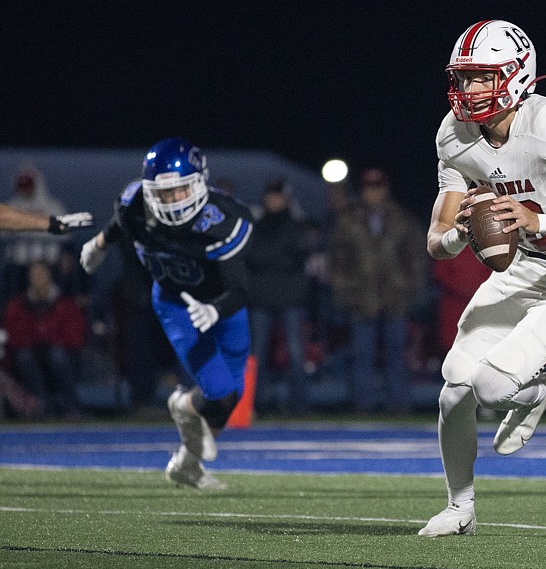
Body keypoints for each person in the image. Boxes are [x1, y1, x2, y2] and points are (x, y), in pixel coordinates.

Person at [419, 19, 546, 537]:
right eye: (463, 78)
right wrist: (461, 234)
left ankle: (536, 392)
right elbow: (436, 240)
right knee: (453, 391)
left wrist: (539, 220)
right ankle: (460, 506)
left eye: (481, 78)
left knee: (491, 386)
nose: (468, 90)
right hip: (522, 269)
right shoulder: (453, 134)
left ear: (515, 76)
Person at [80, 137, 253, 490]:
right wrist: (98, 244)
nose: (171, 200)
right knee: (218, 388)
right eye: (164, 193)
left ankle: (187, 465)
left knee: (231, 396)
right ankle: (185, 404)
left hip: (223, 304)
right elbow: (119, 224)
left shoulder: (222, 220)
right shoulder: (136, 204)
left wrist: (216, 309)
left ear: (200, 182)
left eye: (180, 190)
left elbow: (239, 290)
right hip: (175, 302)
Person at [327, 166, 427, 415]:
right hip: (361, 297)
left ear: (385, 189)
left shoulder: (402, 218)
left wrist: (411, 289)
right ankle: (362, 403)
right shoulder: (349, 220)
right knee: (361, 353)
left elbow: (416, 257)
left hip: (395, 296)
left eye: (378, 188)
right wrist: (344, 290)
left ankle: (399, 403)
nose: (373, 194)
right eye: (369, 189)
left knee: (397, 352)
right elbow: (337, 259)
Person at [246, 179, 311, 415]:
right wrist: (278, 256)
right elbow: (252, 256)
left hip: (290, 297)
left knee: (296, 352)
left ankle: (300, 404)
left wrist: (271, 256)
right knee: (257, 353)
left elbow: (297, 256)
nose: (274, 201)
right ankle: (255, 403)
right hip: (262, 297)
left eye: (278, 196)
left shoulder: (296, 225)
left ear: (286, 199)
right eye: (270, 196)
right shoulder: (257, 224)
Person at [4, 260, 87, 419]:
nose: (38, 279)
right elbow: (14, 336)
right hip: (32, 354)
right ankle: (41, 406)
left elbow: (75, 337)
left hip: (61, 354)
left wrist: (51, 341)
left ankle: (72, 407)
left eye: (41, 274)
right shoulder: (19, 305)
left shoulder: (64, 304)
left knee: (58, 357)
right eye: (34, 275)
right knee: (24, 357)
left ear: (50, 276)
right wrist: (36, 342)